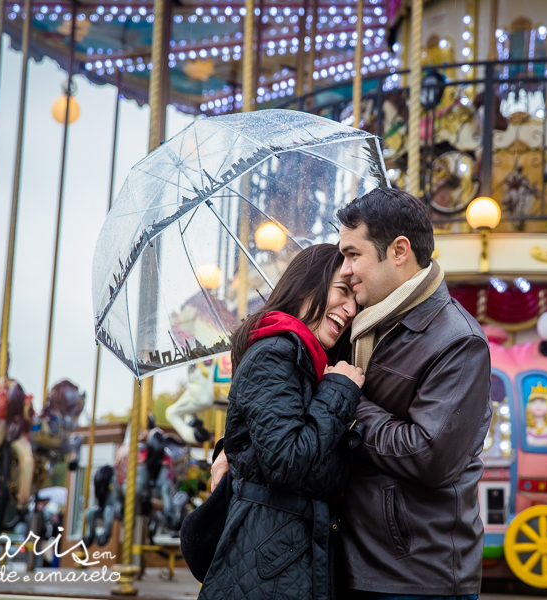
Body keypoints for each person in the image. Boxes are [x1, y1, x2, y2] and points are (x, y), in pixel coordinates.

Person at [334, 188, 492, 600]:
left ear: (399, 250)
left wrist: (344, 400)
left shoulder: (458, 341)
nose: (345, 269)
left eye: (353, 255)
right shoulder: (361, 323)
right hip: (352, 560)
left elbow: (428, 455)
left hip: (417, 574)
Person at [197, 243, 365, 600]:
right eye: (342, 291)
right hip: (268, 558)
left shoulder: (307, 356)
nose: (350, 309)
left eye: (357, 301)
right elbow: (288, 461)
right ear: (306, 286)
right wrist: (339, 390)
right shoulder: (276, 352)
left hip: (287, 550)